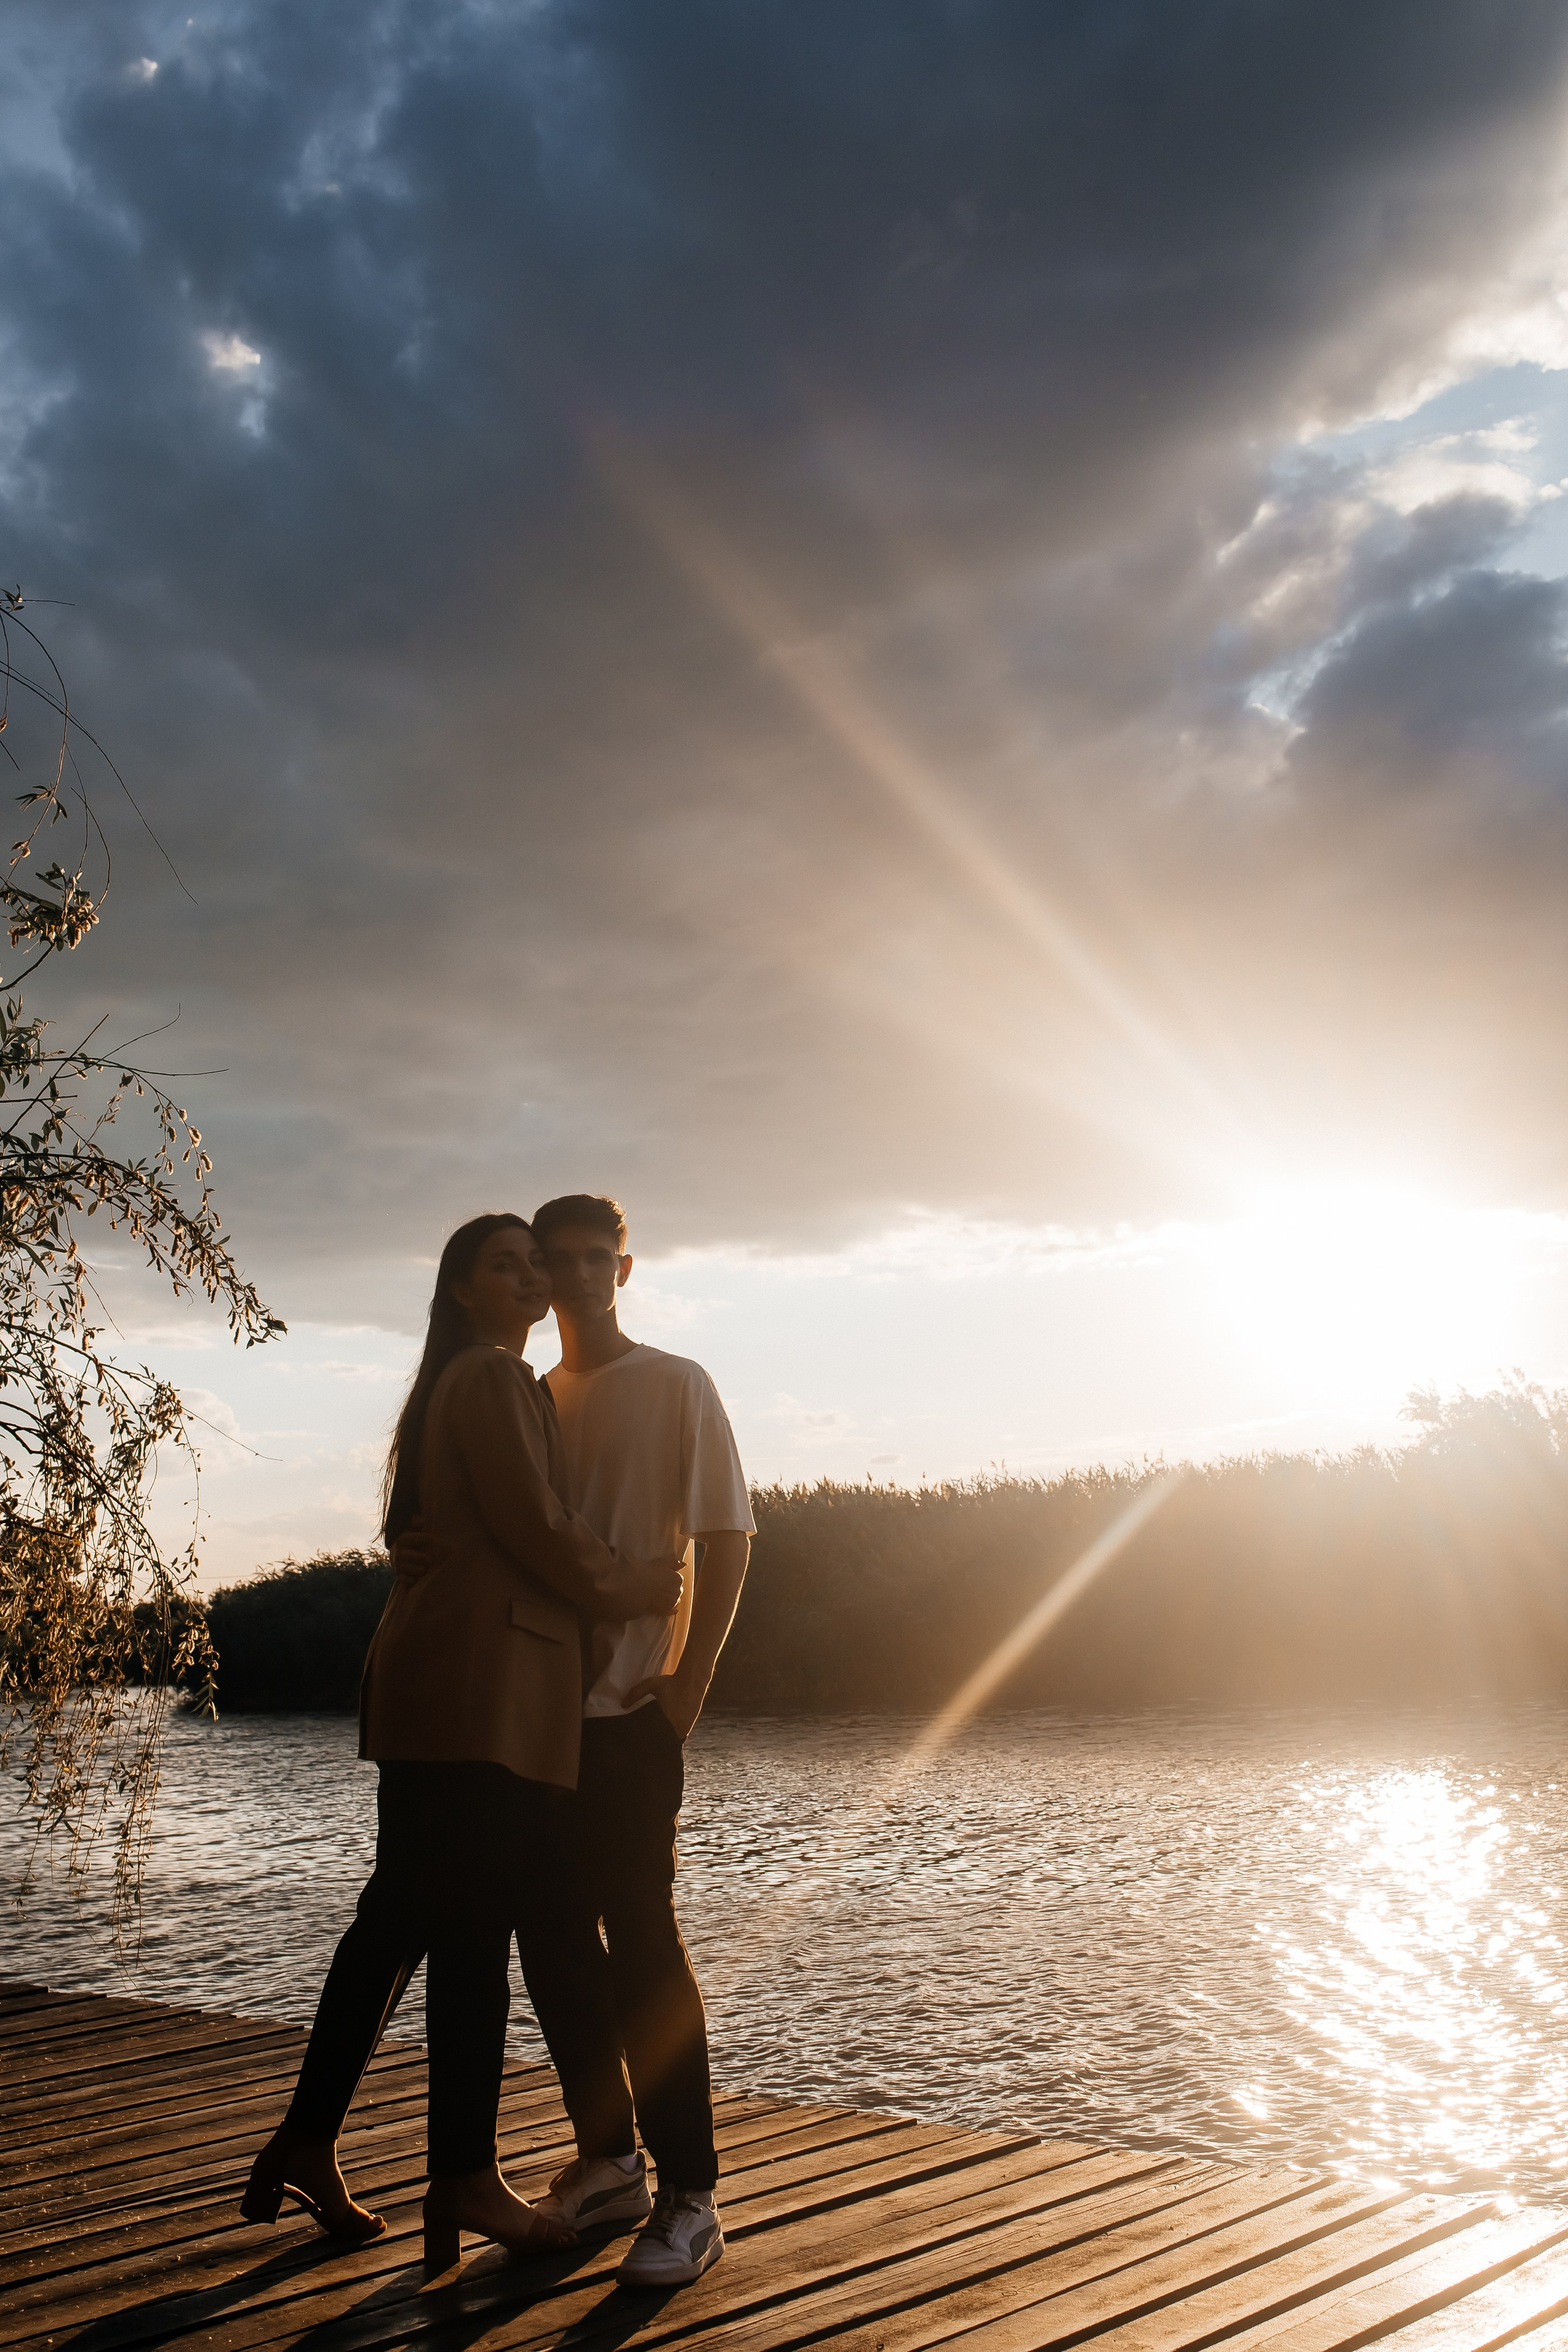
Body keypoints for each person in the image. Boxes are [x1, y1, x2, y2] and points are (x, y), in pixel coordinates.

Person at [239, 1213, 682, 2272]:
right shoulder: (489, 1378)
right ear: (462, 1289)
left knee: (398, 1918)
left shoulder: (485, 1381)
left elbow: (474, 1527)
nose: (533, 1275)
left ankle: (312, 2139)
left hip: (450, 1690)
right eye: (508, 1263)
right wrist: (638, 1584)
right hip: (479, 1697)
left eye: (540, 1261)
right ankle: (464, 2177)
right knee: (473, 1932)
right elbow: (536, 1529)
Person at [518, 1193, 754, 2290]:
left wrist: (686, 1687)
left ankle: (692, 2195)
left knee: (643, 1943)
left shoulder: (676, 1384)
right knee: (553, 1943)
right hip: (535, 1724)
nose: (572, 1276)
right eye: (552, 1260)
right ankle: (609, 2160)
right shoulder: (528, 1398)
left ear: (624, 1269)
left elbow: (727, 1537)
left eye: (591, 1259)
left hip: (632, 1719)